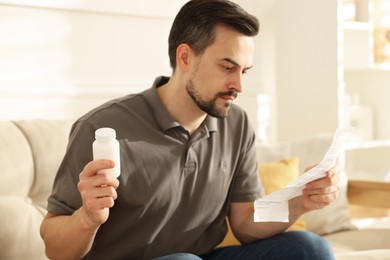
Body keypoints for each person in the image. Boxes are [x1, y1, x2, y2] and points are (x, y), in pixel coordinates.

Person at [40, 0, 340, 259]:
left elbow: (245, 222)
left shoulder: (237, 124)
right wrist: (87, 218)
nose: (239, 85)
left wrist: (300, 202)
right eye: (227, 67)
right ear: (185, 57)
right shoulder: (102, 127)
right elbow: (55, 250)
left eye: (243, 71)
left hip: (200, 258)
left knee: (309, 248)